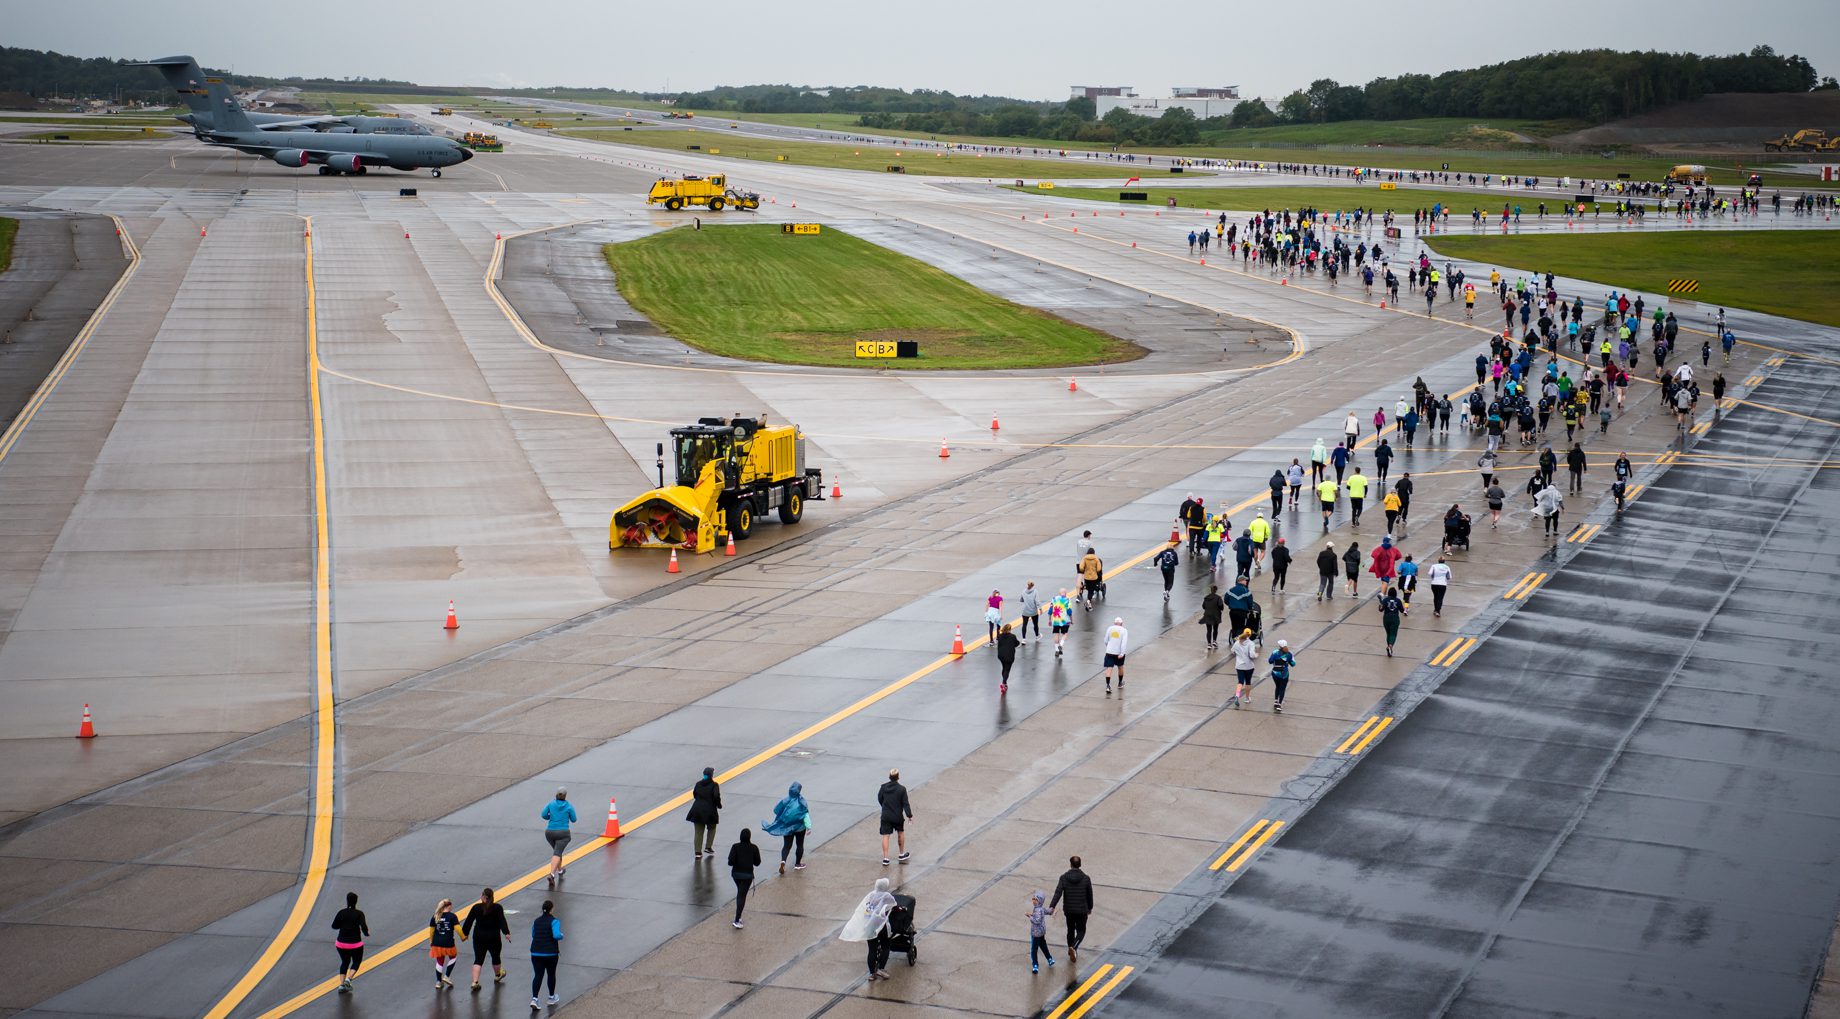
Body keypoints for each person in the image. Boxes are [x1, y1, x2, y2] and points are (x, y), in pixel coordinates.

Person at [842, 878, 899, 981]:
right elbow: (894, 905)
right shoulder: (887, 896)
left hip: (870, 926)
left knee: (872, 950)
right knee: (886, 946)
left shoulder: (871, 895)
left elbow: (867, 909)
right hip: (881, 925)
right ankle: (881, 969)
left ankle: (872, 973)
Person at [463, 888, 510, 991]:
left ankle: (475, 982)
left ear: (483, 896)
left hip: (479, 937)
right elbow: (502, 921)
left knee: (478, 959)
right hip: (494, 937)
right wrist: (506, 932)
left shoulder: (476, 907)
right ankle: (498, 975)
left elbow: (468, 922)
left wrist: (465, 934)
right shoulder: (497, 908)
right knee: (495, 957)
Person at [1049, 856, 1093, 961]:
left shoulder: (1063, 878)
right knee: (1081, 931)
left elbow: (1058, 893)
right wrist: (1090, 907)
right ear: (1080, 864)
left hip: (1069, 910)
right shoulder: (1086, 878)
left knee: (1070, 930)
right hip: (1082, 910)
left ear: (1070, 864)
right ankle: (1073, 947)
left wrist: (1052, 906)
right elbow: (1089, 894)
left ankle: (1071, 951)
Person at [764, 781, 811, 873]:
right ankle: (797, 864)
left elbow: (776, 810)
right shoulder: (802, 801)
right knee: (799, 845)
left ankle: (783, 861)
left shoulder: (785, 800)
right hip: (800, 828)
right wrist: (808, 827)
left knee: (786, 846)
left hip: (787, 827)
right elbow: (805, 815)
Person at [528, 900, 563, 1008]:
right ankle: (551, 997)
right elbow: (556, 935)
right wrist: (562, 935)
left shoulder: (536, 921)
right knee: (551, 974)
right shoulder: (554, 921)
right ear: (551, 909)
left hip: (536, 952)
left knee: (538, 975)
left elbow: (533, 934)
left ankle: (534, 999)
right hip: (550, 953)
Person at [333, 891, 369, 994]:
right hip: (355, 944)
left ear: (347, 901)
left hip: (341, 943)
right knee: (356, 961)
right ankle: (348, 979)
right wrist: (366, 934)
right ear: (356, 901)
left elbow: (334, 926)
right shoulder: (359, 913)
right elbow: (363, 927)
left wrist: (343, 924)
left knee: (345, 962)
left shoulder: (341, 912)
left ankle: (341, 985)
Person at [541, 788, 576, 890]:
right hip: (563, 834)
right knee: (557, 853)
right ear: (565, 796)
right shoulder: (569, 806)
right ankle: (552, 874)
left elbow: (543, 815)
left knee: (557, 851)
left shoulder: (551, 804)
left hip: (549, 833)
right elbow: (574, 819)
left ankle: (560, 870)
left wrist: (551, 817)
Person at [878, 769, 913, 865]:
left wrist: (885, 807)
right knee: (900, 832)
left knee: (886, 835)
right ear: (898, 777)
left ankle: (885, 858)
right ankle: (901, 854)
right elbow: (905, 803)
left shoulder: (883, 787)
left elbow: (880, 798)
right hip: (897, 815)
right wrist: (909, 815)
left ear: (889, 776)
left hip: (886, 815)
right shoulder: (902, 789)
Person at [728, 829, 761, 928]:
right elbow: (757, 863)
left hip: (736, 875)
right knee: (742, 895)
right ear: (750, 837)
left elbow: (730, 862)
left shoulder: (735, 846)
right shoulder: (754, 847)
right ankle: (737, 920)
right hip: (747, 876)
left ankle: (739, 917)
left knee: (740, 893)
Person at [687, 766, 721, 860]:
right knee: (712, 827)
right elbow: (716, 797)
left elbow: (695, 794)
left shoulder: (698, 784)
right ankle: (708, 847)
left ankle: (698, 852)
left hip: (697, 810)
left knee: (698, 832)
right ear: (712, 775)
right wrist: (719, 805)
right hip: (710, 811)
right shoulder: (714, 785)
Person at [429, 899, 461, 989]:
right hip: (448, 942)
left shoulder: (435, 916)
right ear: (449, 906)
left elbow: (431, 931)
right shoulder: (452, 916)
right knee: (453, 957)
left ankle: (438, 982)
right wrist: (463, 937)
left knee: (439, 961)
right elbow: (458, 929)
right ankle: (446, 976)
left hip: (436, 943)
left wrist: (431, 941)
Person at [1026, 891, 1056, 973]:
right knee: (1043, 946)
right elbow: (1048, 911)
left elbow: (1037, 921)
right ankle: (1049, 959)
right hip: (1041, 932)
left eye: (1036, 900)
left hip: (1036, 933)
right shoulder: (1041, 908)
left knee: (1034, 949)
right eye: (1033, 899)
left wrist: (1030, 916)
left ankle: (1035, 965)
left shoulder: (1037, 910)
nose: (1033, 901)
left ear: (1040, 901)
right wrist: (1051, 910)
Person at [1230, 627, 1259, 708]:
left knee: (1240, 681)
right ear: (1250, 635)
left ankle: (1237, 695)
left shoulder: (1237, 642)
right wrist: (1256, 655)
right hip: (1249, 666)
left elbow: (1232, 651)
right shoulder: (1251, 643)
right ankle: (1247, 698)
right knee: (1248, 682)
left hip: (1239, 665)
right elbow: (1252, 655)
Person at [1377, 585, 1407, 658]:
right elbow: (1402, 610)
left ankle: (1389, 649)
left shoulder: (1385, 600)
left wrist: (1380, 606)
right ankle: (1390, 646)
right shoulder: (1398, 600)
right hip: (1395, 618)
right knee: (1393, 634)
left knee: (1388, 634)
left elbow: (1381, 610)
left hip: (1386, 618)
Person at [1267, 639, 1296, 713]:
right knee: (1282, 688)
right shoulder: (1289, 654)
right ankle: (1279, 704)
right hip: (1284, 674)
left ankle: (1275, 701)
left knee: (1277, 686)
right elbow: (1293, 664)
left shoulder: (1275, 652)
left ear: (1279, 646)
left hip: (1275, 673)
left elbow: (1270, 661)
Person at [1102, 616, 1128, 692]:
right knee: (1120, 667)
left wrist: (1109, 647)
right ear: (1122, 623)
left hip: (1109, 652)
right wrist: (1122, 653)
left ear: (1114, 623)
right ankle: (1120, 683)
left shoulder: (1110, 628)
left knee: (1109, 668)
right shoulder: (1124, 630)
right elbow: (1124, 643)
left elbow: (1105, 640)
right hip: (1118, 653)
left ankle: (1108, 685)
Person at [1049, 588, 1073, 658]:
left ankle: (1056, 650)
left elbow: (1050, 610)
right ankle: (1061, 645)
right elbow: (1069, 612)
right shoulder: (1067, 600)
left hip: (1056, 620)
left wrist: (1049, 620)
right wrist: (1071, 620)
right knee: (1065, 634)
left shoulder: (1054, 599)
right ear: (1066, 593)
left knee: (1056, 634)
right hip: (1065, 621)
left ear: (1059, 593)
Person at [996, 623, 1019, 693]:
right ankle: (1003, 683)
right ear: (1009, 629)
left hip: (1001, 655)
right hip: (1009, 655)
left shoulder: (1000, 636)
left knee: (1004, 668)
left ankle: (1005, 683)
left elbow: (999, 644)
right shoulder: (1012, 636)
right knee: (1007, 669)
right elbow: (1017, 643)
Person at [1200, 584, 1224, 650]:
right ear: (1216, 590)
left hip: (1208, 615)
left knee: (1209, 630)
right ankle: (1214, 641)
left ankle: (1209, 644)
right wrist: (1220, 609)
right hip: (1216, 616)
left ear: (1210, 590)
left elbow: (1203, 606)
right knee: (1215, 629)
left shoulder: (1206, 598)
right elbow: (1221, 606)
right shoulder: (1218, 598)